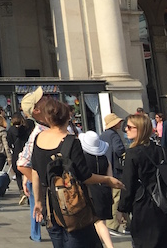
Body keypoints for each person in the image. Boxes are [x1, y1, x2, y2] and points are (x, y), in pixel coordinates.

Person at [31, 99, 123, 247]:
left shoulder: (38, 138)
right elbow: (84, 176)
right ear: (68, 117)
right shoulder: (71, 141)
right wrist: (107, 179)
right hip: (73, 203)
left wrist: (38, 201)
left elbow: (35, 172)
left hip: (50, 205)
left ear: (48, 118)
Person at [118, 112, 167, 248]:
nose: (125, 130)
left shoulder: (132, 154)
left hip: (145, 209)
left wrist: (122, 208)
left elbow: (127, 185)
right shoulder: (162, 151)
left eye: (129, 127)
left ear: (140, 129)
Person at [17, 87, 48, 244]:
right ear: (36, 110)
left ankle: (35, 234)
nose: (47, 98)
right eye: (42, 98)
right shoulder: (39, 132)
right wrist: (40, 184)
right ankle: (35, 235)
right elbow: (22, 163)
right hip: (46, 184)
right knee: (38, 208)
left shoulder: (48, 127)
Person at [79, 130, 115, 248]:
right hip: (104, 191)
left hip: (92, 192)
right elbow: (110, 178)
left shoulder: (83, 159)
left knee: (98, 223)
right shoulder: (105, 159)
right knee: (100, 223)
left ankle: (109, 246)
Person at [99, 113, 128, 237]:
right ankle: (114, 225)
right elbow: (119, 150)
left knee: (113, 196)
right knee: (118, 197)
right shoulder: (114, 135)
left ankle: (123, 225)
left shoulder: (102, 135)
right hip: (116, 169)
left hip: (106, 168)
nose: (120, 124)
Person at [6, 113, 32, 204]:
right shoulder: (26, 129)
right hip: (26, 153)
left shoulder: (10, 130)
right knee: (26, 172)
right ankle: (28, 192)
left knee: (18, 174)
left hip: (16, 153)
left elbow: (9, 142)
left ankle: (21, 191)